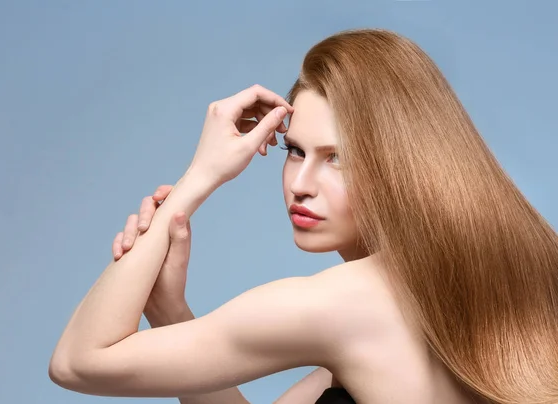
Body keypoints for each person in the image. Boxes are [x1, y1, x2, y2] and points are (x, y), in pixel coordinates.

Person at [48, 29, 558, 404]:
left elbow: (78, 362)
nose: (300, 185)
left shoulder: (348, 303)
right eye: (295, 151)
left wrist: (197, 179)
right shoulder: (482, 281)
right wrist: (170, 313)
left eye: (337, 157)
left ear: (401, 165)